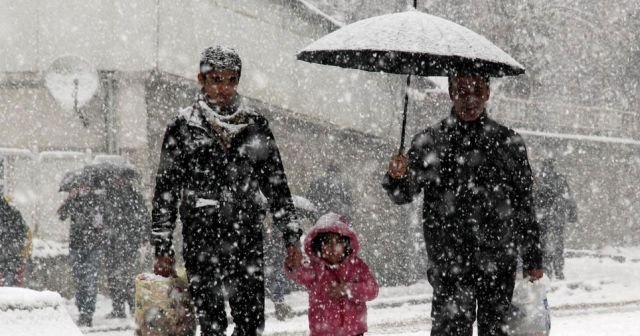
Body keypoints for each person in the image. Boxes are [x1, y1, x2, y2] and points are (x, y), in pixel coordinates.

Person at [151, 45, 303, 336]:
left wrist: (291, 236)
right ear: (201, 79)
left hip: (246, 234)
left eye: (231, 80)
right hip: (201, 237)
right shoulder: (183, 127)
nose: (223, 88)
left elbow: (277, 185)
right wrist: (162, 246)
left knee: (251, 322)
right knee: (211, 323)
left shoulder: (255, 125)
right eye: (216, 79)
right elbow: (166, 190)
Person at [382, 73, 544, 336]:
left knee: (497, 331)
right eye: (462, 91)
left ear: (487, 93)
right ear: (451, 93)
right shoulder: (429, 141)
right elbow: (403, 195)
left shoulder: (508, 143)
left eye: (477, 90)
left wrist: (533, 258)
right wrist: (396, 176)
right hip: (449, 263)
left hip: (498, 260)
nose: (470, 99)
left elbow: (524, 204)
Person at [286, 212, 379, 336]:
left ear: (345, 244)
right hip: (323, 332)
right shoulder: (315, 269)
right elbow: (301, 274)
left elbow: (372, 290)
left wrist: (349, 289)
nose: (332, 247)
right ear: (318, 246)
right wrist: (294, 266)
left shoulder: (356, 266)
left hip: (353, 331)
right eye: (327, 242)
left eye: (338, 242)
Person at [58, 185, 107, 327]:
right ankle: (82, 310)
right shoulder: (74, 201)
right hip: (76, 246)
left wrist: (99, 230)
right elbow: (61, 215)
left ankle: (87, 314)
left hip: (93, 247)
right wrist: (69, 199)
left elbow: (103, 222)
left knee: (90, 281)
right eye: (81, 185)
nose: (84, 188)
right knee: (79, 280)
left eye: (87, 184)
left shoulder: (98, 200)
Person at [104, 174, 150, 318]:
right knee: (114, 277)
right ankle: (118, 308)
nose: (116, 181)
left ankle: (132, 306)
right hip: (113, 243)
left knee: (129, 276)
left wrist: (144, 235)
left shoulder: (134, 197)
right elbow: (104, 219)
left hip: (130, 242)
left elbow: (144, 217)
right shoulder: (108, 198)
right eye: (114, 179)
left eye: (119, 178)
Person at [535, 159, 577, 280]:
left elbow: (533, 197)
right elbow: (569, 197)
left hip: (544, 217)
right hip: (556, 216)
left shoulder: (539, 179)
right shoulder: (560, 179)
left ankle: (548, 269)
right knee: (557, 244)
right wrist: (572, 213)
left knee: (544, 244)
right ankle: (557, 270)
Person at [0, 190, 27, 287]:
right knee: (10, 278)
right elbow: (23, 231)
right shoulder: (13, 211)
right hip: (12, 251)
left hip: (9, 250)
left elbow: (22, 231)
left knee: (8, 277)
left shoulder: (11, 213)